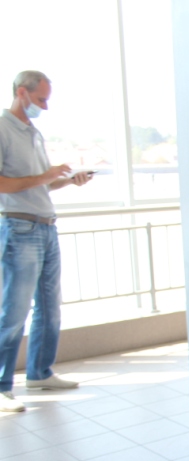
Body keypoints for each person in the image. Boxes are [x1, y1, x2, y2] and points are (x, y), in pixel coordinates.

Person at [0, 71, 91, 413]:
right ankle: (2, 386)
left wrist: (66, 180)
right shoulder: (3, 129)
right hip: (19, 229)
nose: (45, 107)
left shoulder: (33, 133)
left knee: (50, 308)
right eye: (41, 99)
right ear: (21, 93)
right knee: (14, 312)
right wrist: (45, 175)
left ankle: (40, 373)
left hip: (46, 227)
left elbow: (40, 184)